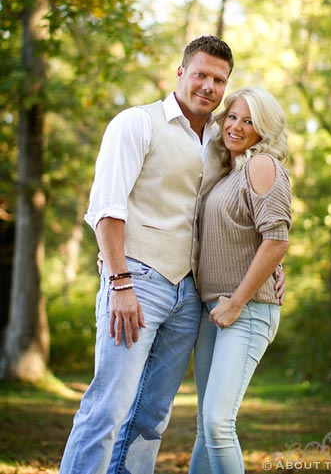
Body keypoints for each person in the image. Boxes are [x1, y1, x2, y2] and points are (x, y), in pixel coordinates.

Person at [58, 36, 284, 474]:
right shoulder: (136, 123)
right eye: (200, 74)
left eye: (219, 80)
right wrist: (119, 283)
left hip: (189, 295)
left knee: (152, 417)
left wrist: (272, 261)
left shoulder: (222, 141)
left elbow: (246, 212)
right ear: (180, 73)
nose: (209, 86)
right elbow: (107, 209)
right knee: (109, 406)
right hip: (137, 281)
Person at [189, 86, 292, 474]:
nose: (236, 126)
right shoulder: (225, 172)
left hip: (245, 310)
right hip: (214, 309)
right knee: (205, 425)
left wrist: (236, 302)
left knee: (217, 423)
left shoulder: (261, 165)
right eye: (232, 116)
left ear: (263, 129)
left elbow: (276, 241)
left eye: (249, 121)